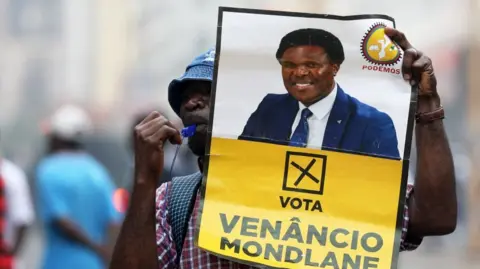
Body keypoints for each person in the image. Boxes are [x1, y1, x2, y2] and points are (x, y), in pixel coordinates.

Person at [109, 27, 457, 269]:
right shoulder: (172, 204)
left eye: (210, 91)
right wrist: (144, 181)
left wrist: (427, 103)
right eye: (185, 96)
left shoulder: (329, 191)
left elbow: (436, 217)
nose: (192, 102)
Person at [239, 28, 399, 159]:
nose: (300, 72)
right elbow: (241, 165)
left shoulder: (372, 123)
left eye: (311, 64)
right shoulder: (270, 108)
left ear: (335, 68)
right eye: (289, 64)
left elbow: (382, 190)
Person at [36, 104, 121, 269]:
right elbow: (113, 220)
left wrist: (94, 246)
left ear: (56, 137)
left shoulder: (48, 168)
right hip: (94, 263)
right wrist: (106, 252)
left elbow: (60, 219)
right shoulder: (97, 171)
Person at [0, 154, 34, 269]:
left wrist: (11, 255)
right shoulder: (12, 174)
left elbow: (22, 220)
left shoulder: (11, 176)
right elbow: (23, 220)